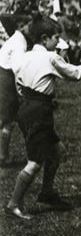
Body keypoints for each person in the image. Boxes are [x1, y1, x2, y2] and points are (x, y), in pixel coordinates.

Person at [4, 18, 81, 219]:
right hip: (38, 113)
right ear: (45, 39)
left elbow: (20, 85)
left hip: (27, 107)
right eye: (56, 38)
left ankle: (47, 192)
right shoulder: (50, 58)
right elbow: (75, 74)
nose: (58, 42)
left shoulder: (24, 57)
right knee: (35, 161)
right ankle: (13, 204)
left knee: (57, 150)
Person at [0, 15, 31, 166]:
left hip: (3, 75)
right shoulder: (20, 42)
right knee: (7, 121)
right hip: (6, 79)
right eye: (27, 25)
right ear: (20, 25)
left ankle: (3, 155)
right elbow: (17, 67)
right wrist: (22, 90)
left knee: (6, 119)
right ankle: (3, 156)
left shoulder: (16, 38)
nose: (29, 28)